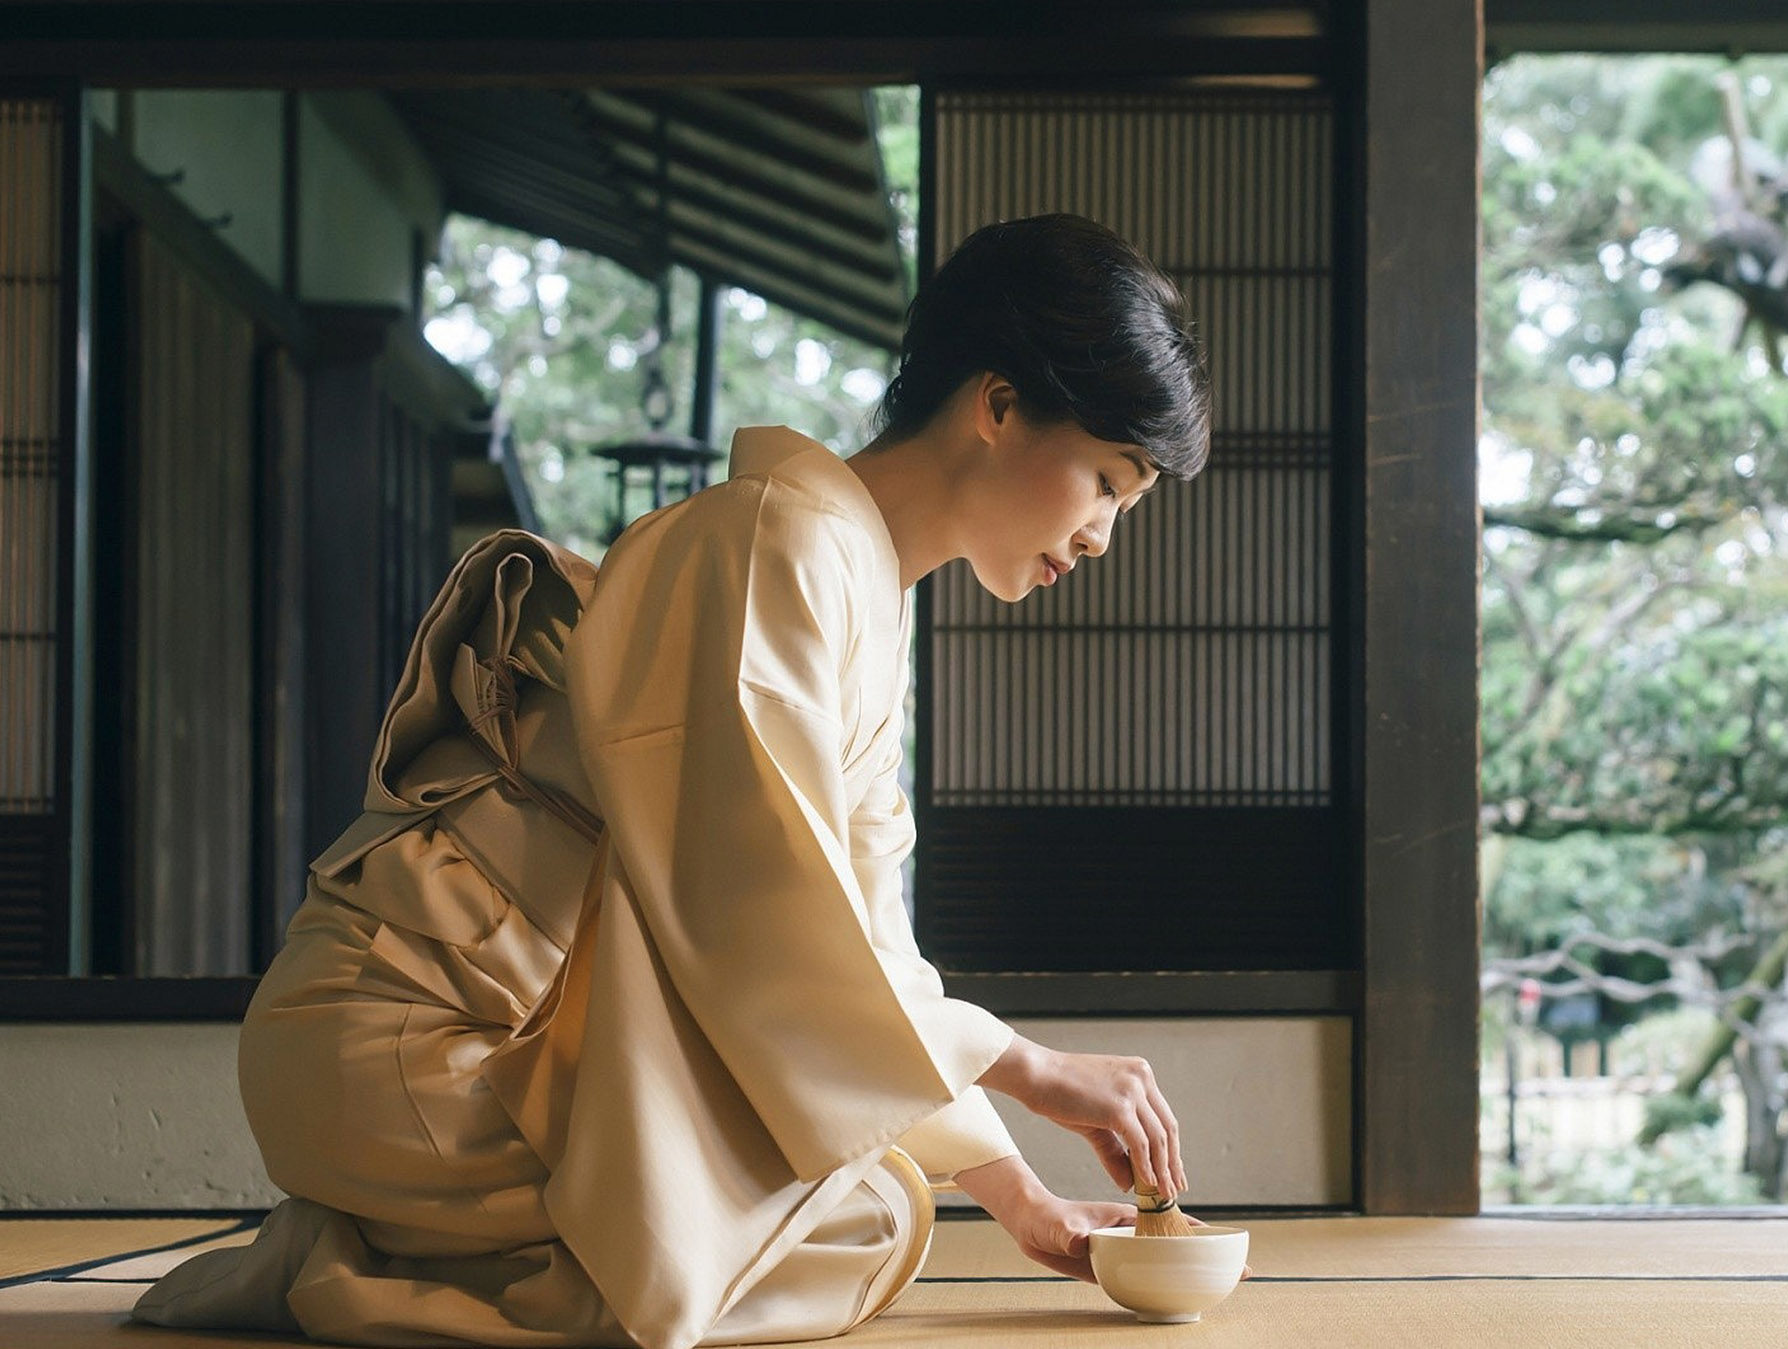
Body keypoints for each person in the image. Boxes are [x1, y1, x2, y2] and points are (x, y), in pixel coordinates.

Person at [132, 212, 1212, 1349]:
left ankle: (401, 1243)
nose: (1098, 537)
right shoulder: (771, 544)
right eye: (1105, 480)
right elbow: (767, 917)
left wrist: (1022, 1201)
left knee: (875, 1203)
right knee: (851, 1211)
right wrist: (1033, 1067)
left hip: (515, 1043)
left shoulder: (858, 588)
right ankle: (343, 1267)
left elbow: (865, 953)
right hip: (418, 1036)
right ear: (996, 406)